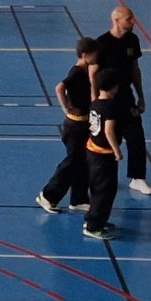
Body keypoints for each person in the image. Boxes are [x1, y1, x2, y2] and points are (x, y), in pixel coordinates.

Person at [90, 6, 151, 195]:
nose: (133, 22)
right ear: (116, 20)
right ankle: (101, 176)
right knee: (105, 139)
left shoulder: (132, 40)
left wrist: (141, 96)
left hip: (126, 96)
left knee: (136, 136)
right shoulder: (101, 43)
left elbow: (135, 69)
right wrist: (95, 101)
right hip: (106, 100)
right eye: (129, 19)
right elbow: (92, 73)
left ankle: (138, 178)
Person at [37, 38, 101, 214]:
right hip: (75, 126)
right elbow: (59, 87)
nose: (97, 57)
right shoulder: (77, 72)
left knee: (83, 161)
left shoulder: (86, 71)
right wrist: (66, 107)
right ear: (85, 55)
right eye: (94, 54)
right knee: (73, 161)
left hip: (84, 123)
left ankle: (79, 199)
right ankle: (48, 195)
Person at [81, 68, 130, 240]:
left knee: (97, 188)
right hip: (103, 155)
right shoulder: (110, 106)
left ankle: (94, 218)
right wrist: (117, 150)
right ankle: (93, 226)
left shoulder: (95, 102)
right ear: (115, 87)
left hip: (92, 152)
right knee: (105, 191)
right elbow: (109, 130)